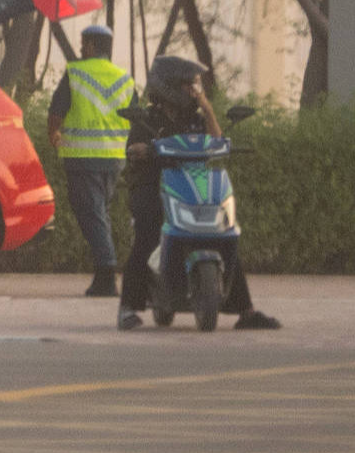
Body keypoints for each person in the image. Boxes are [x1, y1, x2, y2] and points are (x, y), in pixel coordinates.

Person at [116, 56, 280, 331]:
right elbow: (133, 149)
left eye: (195, 85)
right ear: (168, 86)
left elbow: (217, 141)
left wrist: (208, 108)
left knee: (223, 233)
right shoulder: (147, 118)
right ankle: (128, 308)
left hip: (192, 182)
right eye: (188, 85)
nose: (194, 90)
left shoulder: (195, 118)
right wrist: (141, 150)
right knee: (147, 233)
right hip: (152, 184)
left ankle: (246, 311)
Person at [47, 24, 135, 297]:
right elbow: (137, 117)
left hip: (83, 157)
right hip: (114, 159)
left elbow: (56, 110)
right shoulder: (125, 79)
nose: (81, 48)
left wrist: (53, 133)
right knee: (100, 213)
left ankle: (107, 274)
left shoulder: (76, 73)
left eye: (84, 43)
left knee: (91, 215)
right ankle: (103, 276)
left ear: (93, 46)